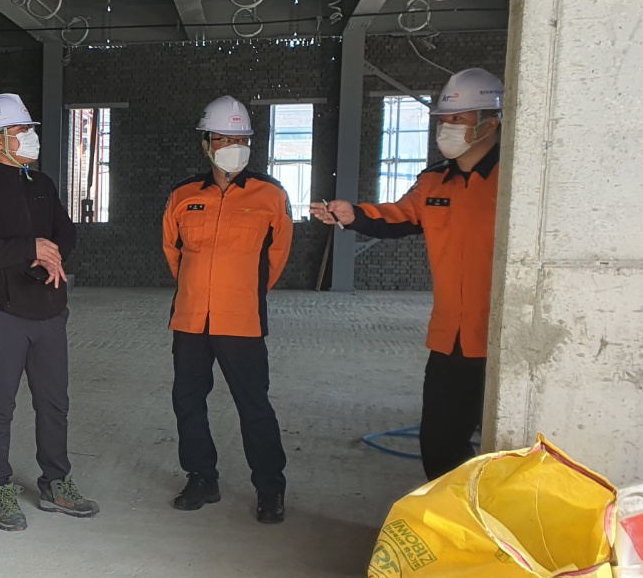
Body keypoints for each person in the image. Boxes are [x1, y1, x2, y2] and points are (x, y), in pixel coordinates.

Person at [310, 67, 503, 481]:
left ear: (491, 123)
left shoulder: (515, 182)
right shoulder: (434, 182)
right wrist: (353, 215)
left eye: (458, 118)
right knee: (439, 440)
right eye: (444, 118)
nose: (447, 127)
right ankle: (450, 515)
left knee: (506, 446)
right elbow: (399, 216)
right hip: (450, 338)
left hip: (504, 340)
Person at [0, 92, 98, 532]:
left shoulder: (42, 185)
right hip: (4, 315)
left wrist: (50, 256)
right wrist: (29, 249)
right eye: (22, 130)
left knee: (54, 404)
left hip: (49, 311)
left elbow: (65, 234)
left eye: (29, 130)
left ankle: (56, 482)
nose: (31, 137)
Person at [162, 95, 293, 524]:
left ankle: (270, 487)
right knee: (188, 401)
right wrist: (198, 287)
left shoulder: (270, 195)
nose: (233, 146)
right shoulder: (183, 195)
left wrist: (240, 291)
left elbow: (276, 256)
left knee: (253, 405)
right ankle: (201, 477)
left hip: (242, 320)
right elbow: (173, 252)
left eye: (241, 139)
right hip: (190, 319)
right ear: (206, 145)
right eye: (223, 138)